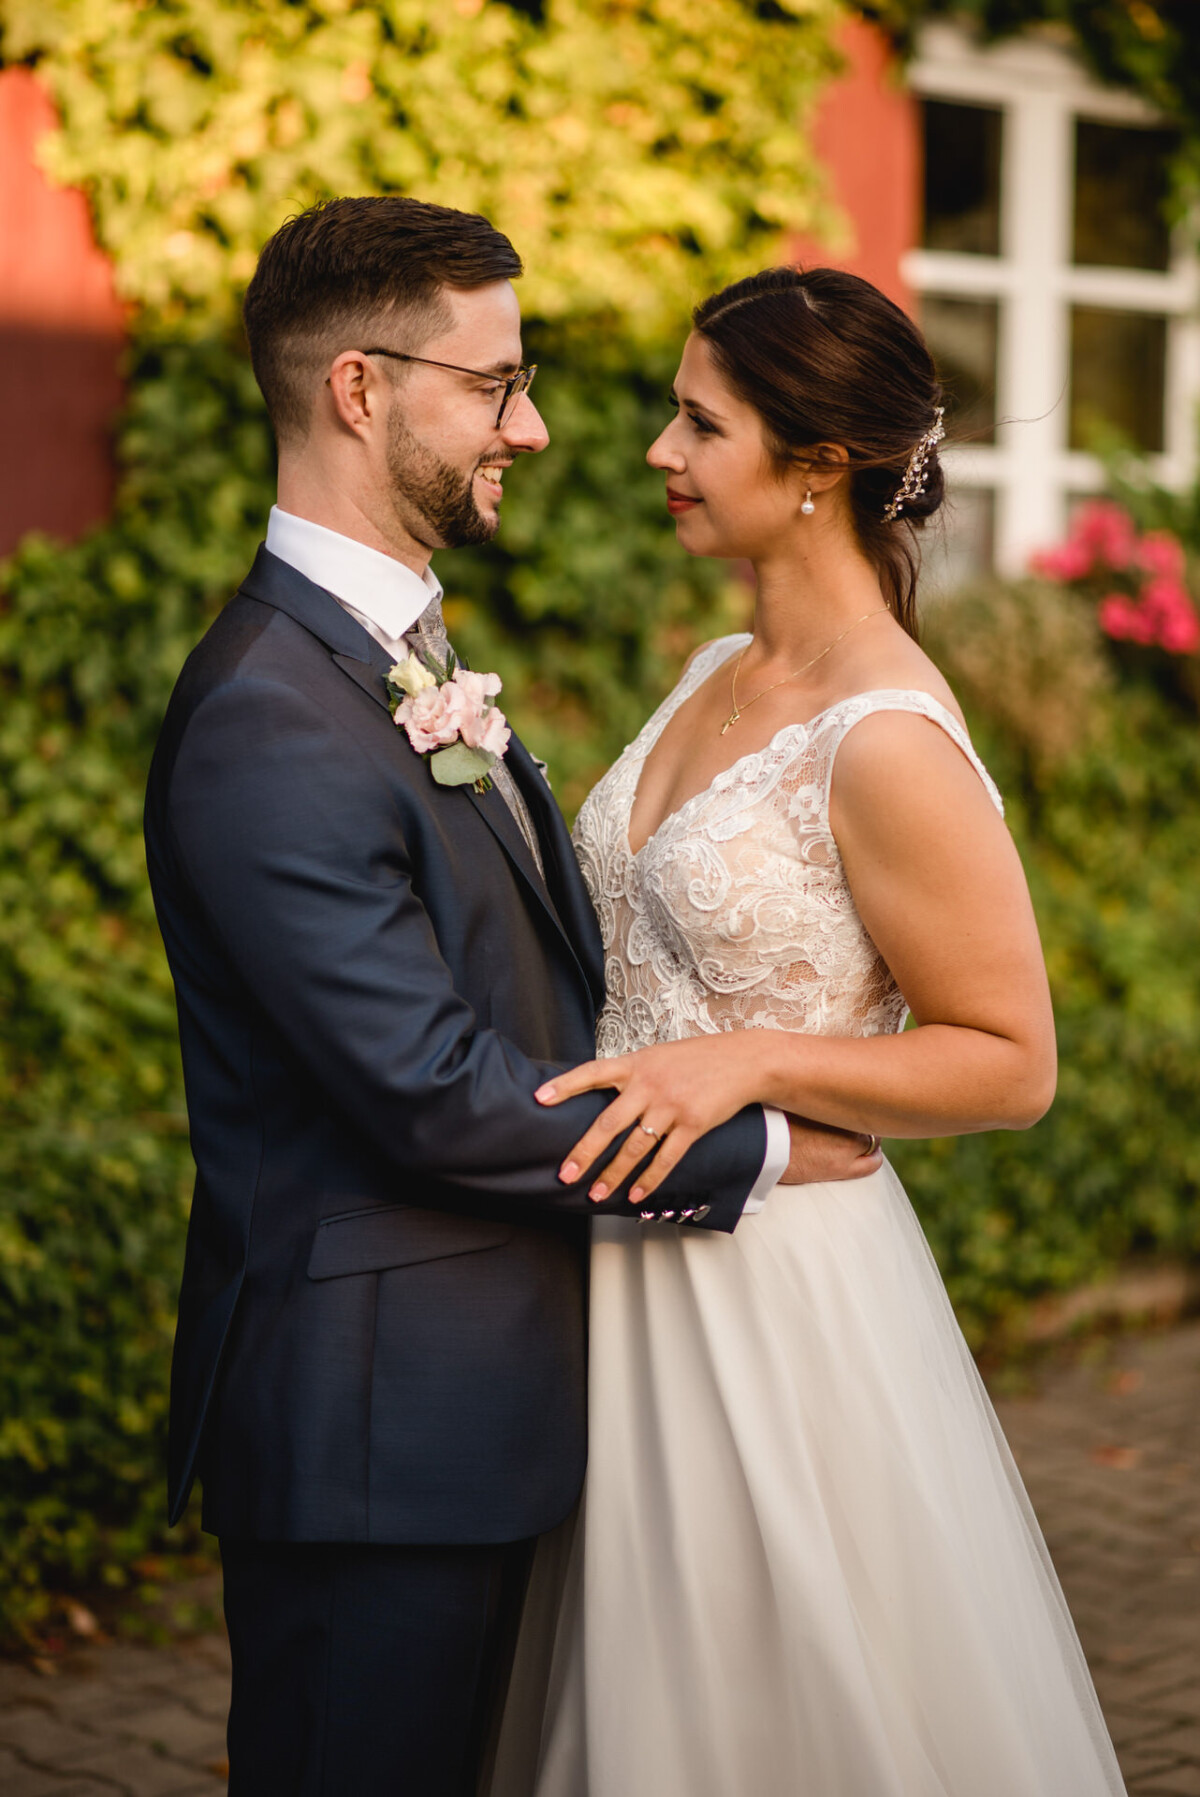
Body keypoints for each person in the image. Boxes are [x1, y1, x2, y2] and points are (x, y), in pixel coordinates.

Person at [143, 203, 879, 1796]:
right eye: (495, 384)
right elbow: (425, 1084)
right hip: (372, 1436)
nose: (533, 427)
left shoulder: (384, 653)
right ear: (360, 388)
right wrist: (753, 1152)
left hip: (474, 1411)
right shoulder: (272, 710)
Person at [492, 266, 1127, 1796]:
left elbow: (1010, 1059)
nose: (656, 448)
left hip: (772, 1286)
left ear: (820, 467)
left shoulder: (886, 736)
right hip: (617, 1267)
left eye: (700, 422)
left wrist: (756, 1058)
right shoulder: (721, 667)